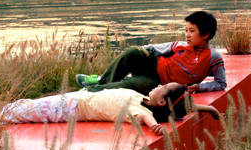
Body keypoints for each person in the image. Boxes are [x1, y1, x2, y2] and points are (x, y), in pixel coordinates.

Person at [76, 11, 226, 95]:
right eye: (186, 30)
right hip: (153, 64)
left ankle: (88, 92)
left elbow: (221, 83)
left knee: (131, 84)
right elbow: (153, 48)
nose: (187, 35)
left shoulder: (213, 57)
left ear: (206, 34)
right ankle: (102, 80)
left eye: (192, 31)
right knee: (133, 52)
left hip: (159, 84)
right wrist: (140, 53)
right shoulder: (180, 45)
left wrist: (201, 87)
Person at [0, 83, 220, 135]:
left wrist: (156, 128)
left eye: (163, 87)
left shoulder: (141, 110)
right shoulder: (144, 98)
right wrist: (208, 109)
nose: (159, 85)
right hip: (81, 97)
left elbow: (145, 118)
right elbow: (184, 104)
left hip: (71, 109)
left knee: (25, 111)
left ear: (162, 103)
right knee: (25, 105)